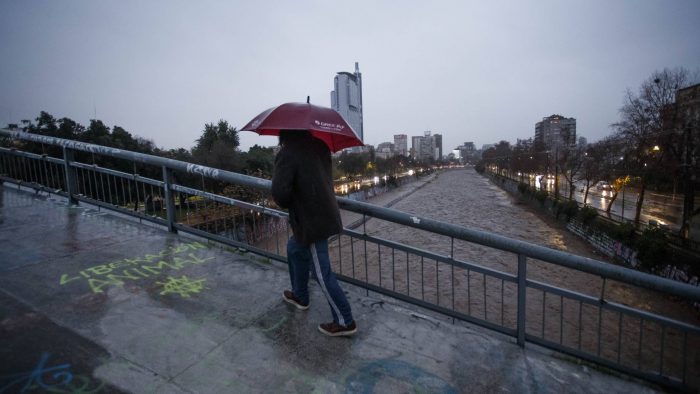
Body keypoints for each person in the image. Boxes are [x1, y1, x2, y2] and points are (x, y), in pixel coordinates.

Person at [271, 130, 357, 337]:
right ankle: (300, 296)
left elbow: (281, 195)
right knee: (294, 248)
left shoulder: (288, 153)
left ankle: (345, 321)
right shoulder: (320, 146)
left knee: (321, 272)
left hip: (312, 222)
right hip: (325, 213)